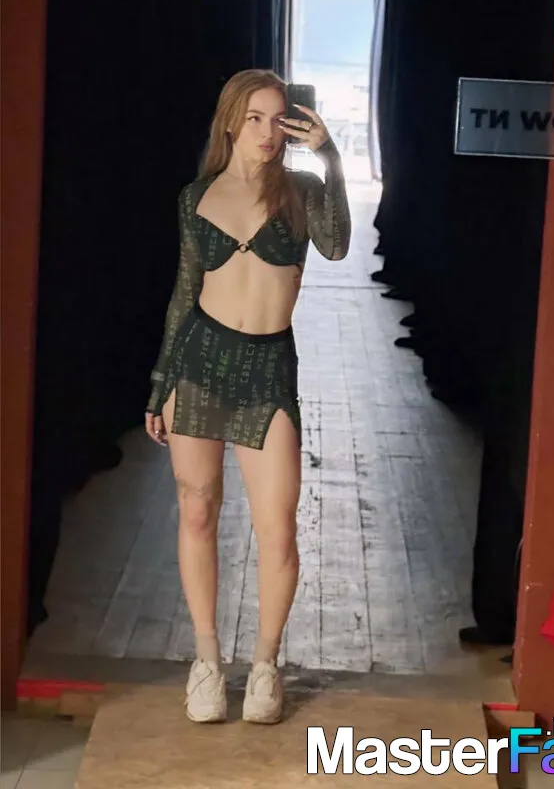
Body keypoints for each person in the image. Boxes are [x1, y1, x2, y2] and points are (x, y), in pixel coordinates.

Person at [144, 69, 351, 724]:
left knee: (278, 529)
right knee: (197, 511)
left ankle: (265, 666)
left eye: (278, 119)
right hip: (199, 364)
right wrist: (160, 383)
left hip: (267, 370)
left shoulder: (301, 192)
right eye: (255, 118)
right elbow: (183, 294)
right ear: (232, 120)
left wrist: (329, 154)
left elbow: (337, 246)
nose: (267, 132)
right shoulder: (196, 197)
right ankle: (207, 662)